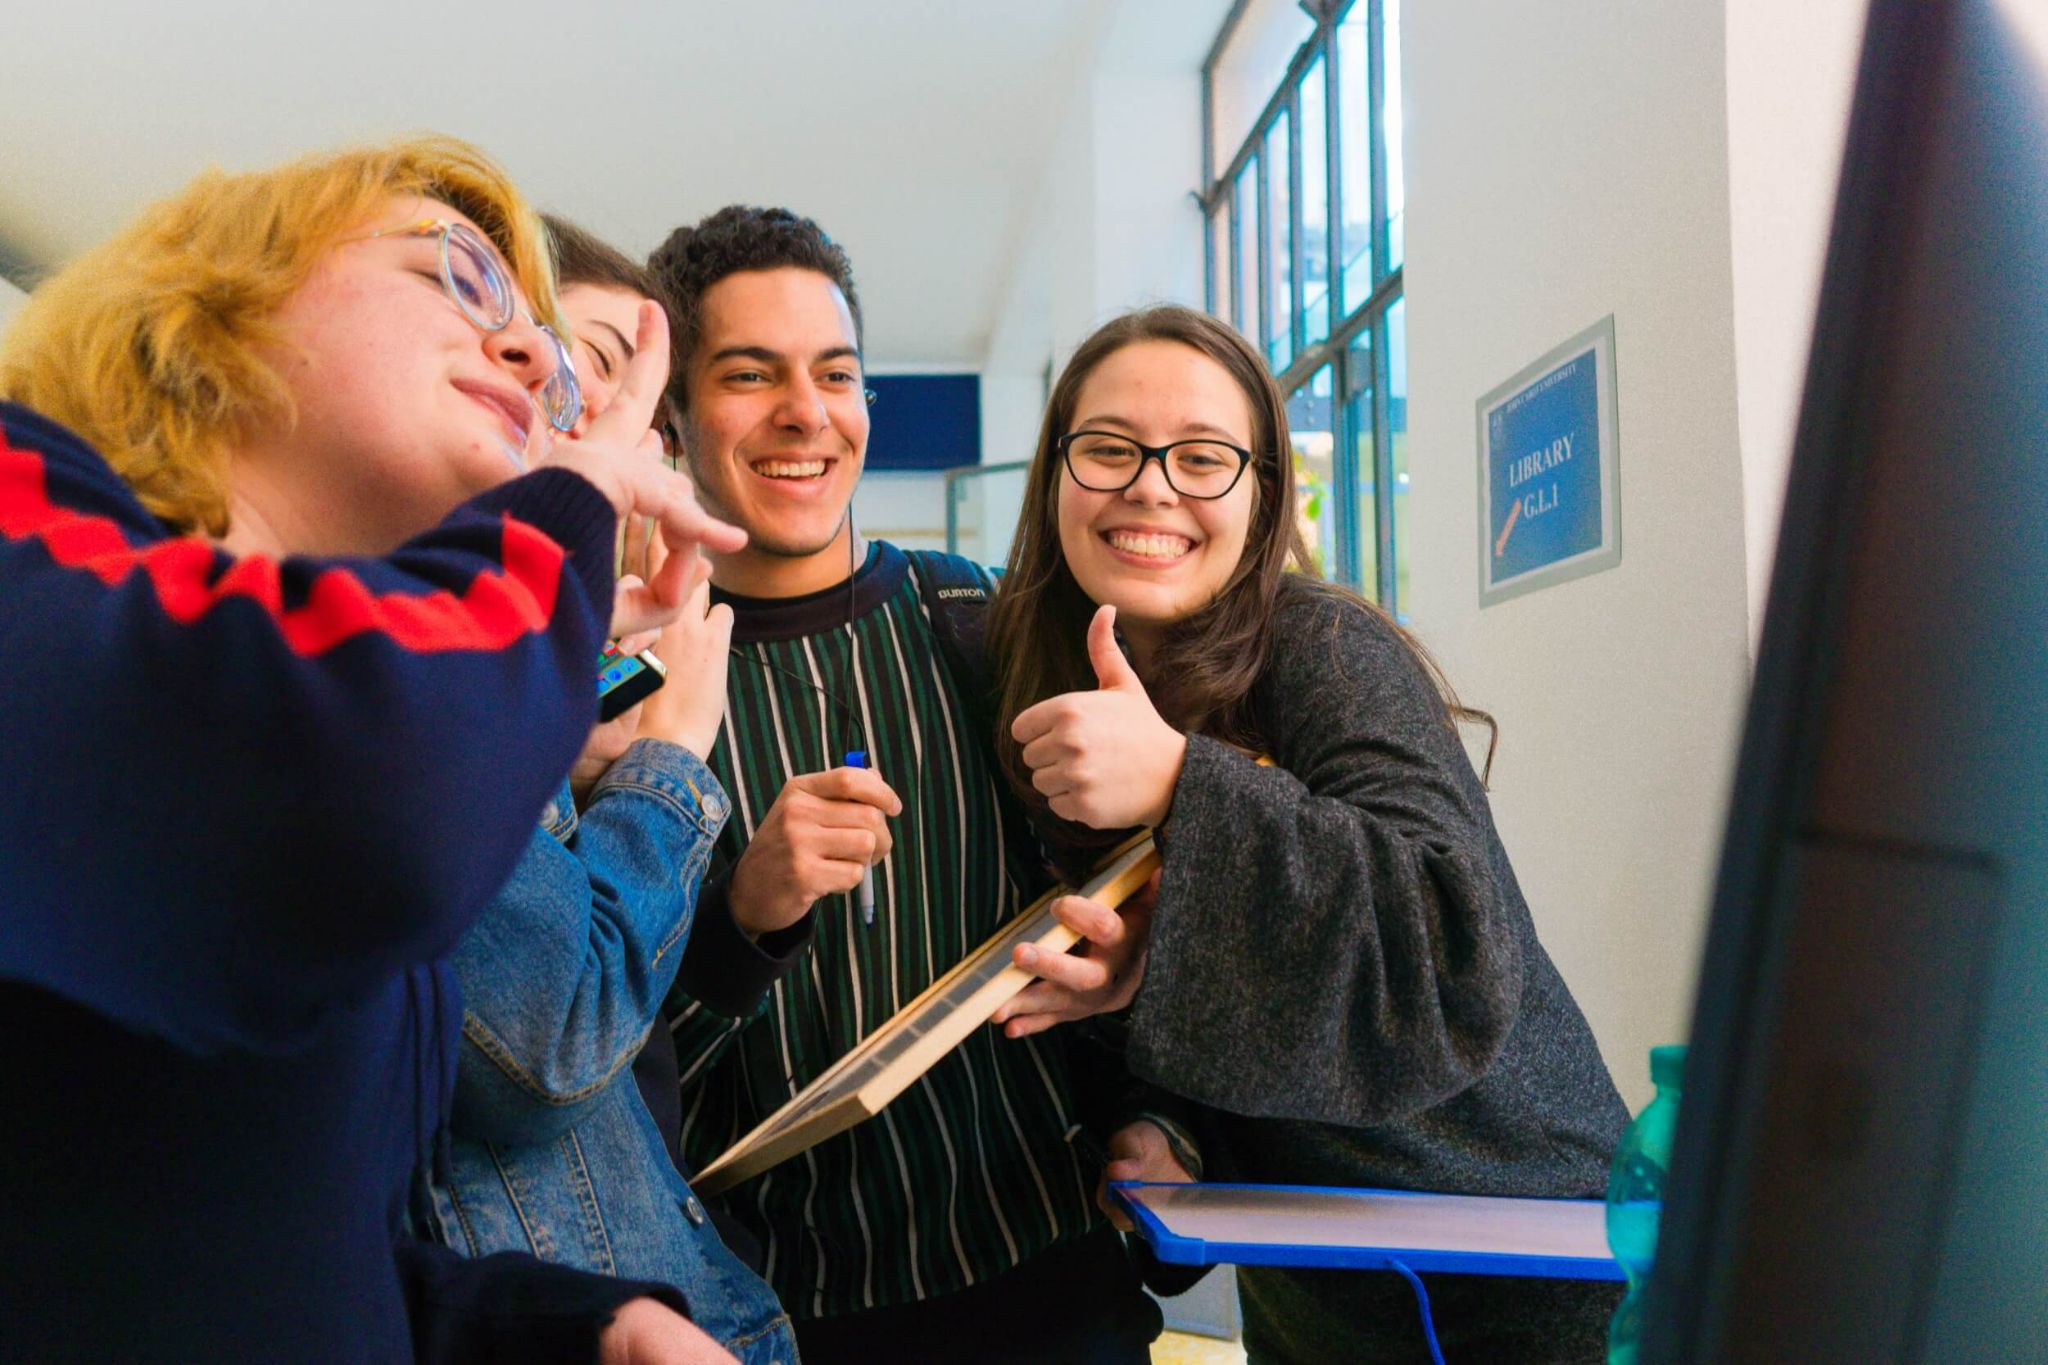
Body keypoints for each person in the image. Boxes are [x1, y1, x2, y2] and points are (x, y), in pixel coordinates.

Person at [0, 137, 747, 1363]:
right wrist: (561, 523)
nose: (531, 357)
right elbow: (365, 804)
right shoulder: (25, 497)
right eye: (454, 274)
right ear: (217, 297)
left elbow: (266, 1253)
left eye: (556, 375)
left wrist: (567, 1330)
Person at [982, 304, 1630, 1364]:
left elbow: (1447, 935)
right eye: (1106, 449)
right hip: (1320, 1283)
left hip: (1518, 1255)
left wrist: (1183, 783)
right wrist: (1165, 1116)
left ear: (1261, 494)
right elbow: (1235, 1006)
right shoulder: (1046, 697)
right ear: (1054, 475)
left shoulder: (1324, 645)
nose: (1149, 484)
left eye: (1201, 458)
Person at [642, 206, 1163, 1363]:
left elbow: (1136, 920)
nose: (805, 412)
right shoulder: (629, 694)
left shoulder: (990, 624)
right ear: (670, 418)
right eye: (747, 373)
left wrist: (1152, 1091)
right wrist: (744, 913)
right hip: (772, 1319)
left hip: (1051, 1289)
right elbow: (596, 1057)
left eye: (836, 373)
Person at [426, 215, 797, 1365]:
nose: (583, 406)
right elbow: (554, 1046)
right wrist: (668, 765)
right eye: (581, 362)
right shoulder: (437, 678)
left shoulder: (550, 680)